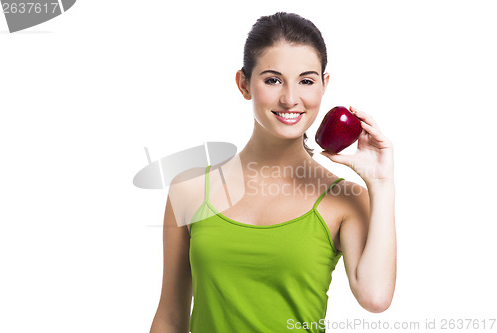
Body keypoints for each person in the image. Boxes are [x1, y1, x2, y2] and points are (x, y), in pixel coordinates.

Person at [150, 12, 396, 333]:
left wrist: (382, 183)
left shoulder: (345, 199)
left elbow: (375, 298)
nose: (290, 99)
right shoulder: (190, 189)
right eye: (272, 79)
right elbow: (170, 316)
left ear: (324, 85)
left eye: (306, 81)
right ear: (244, 84)